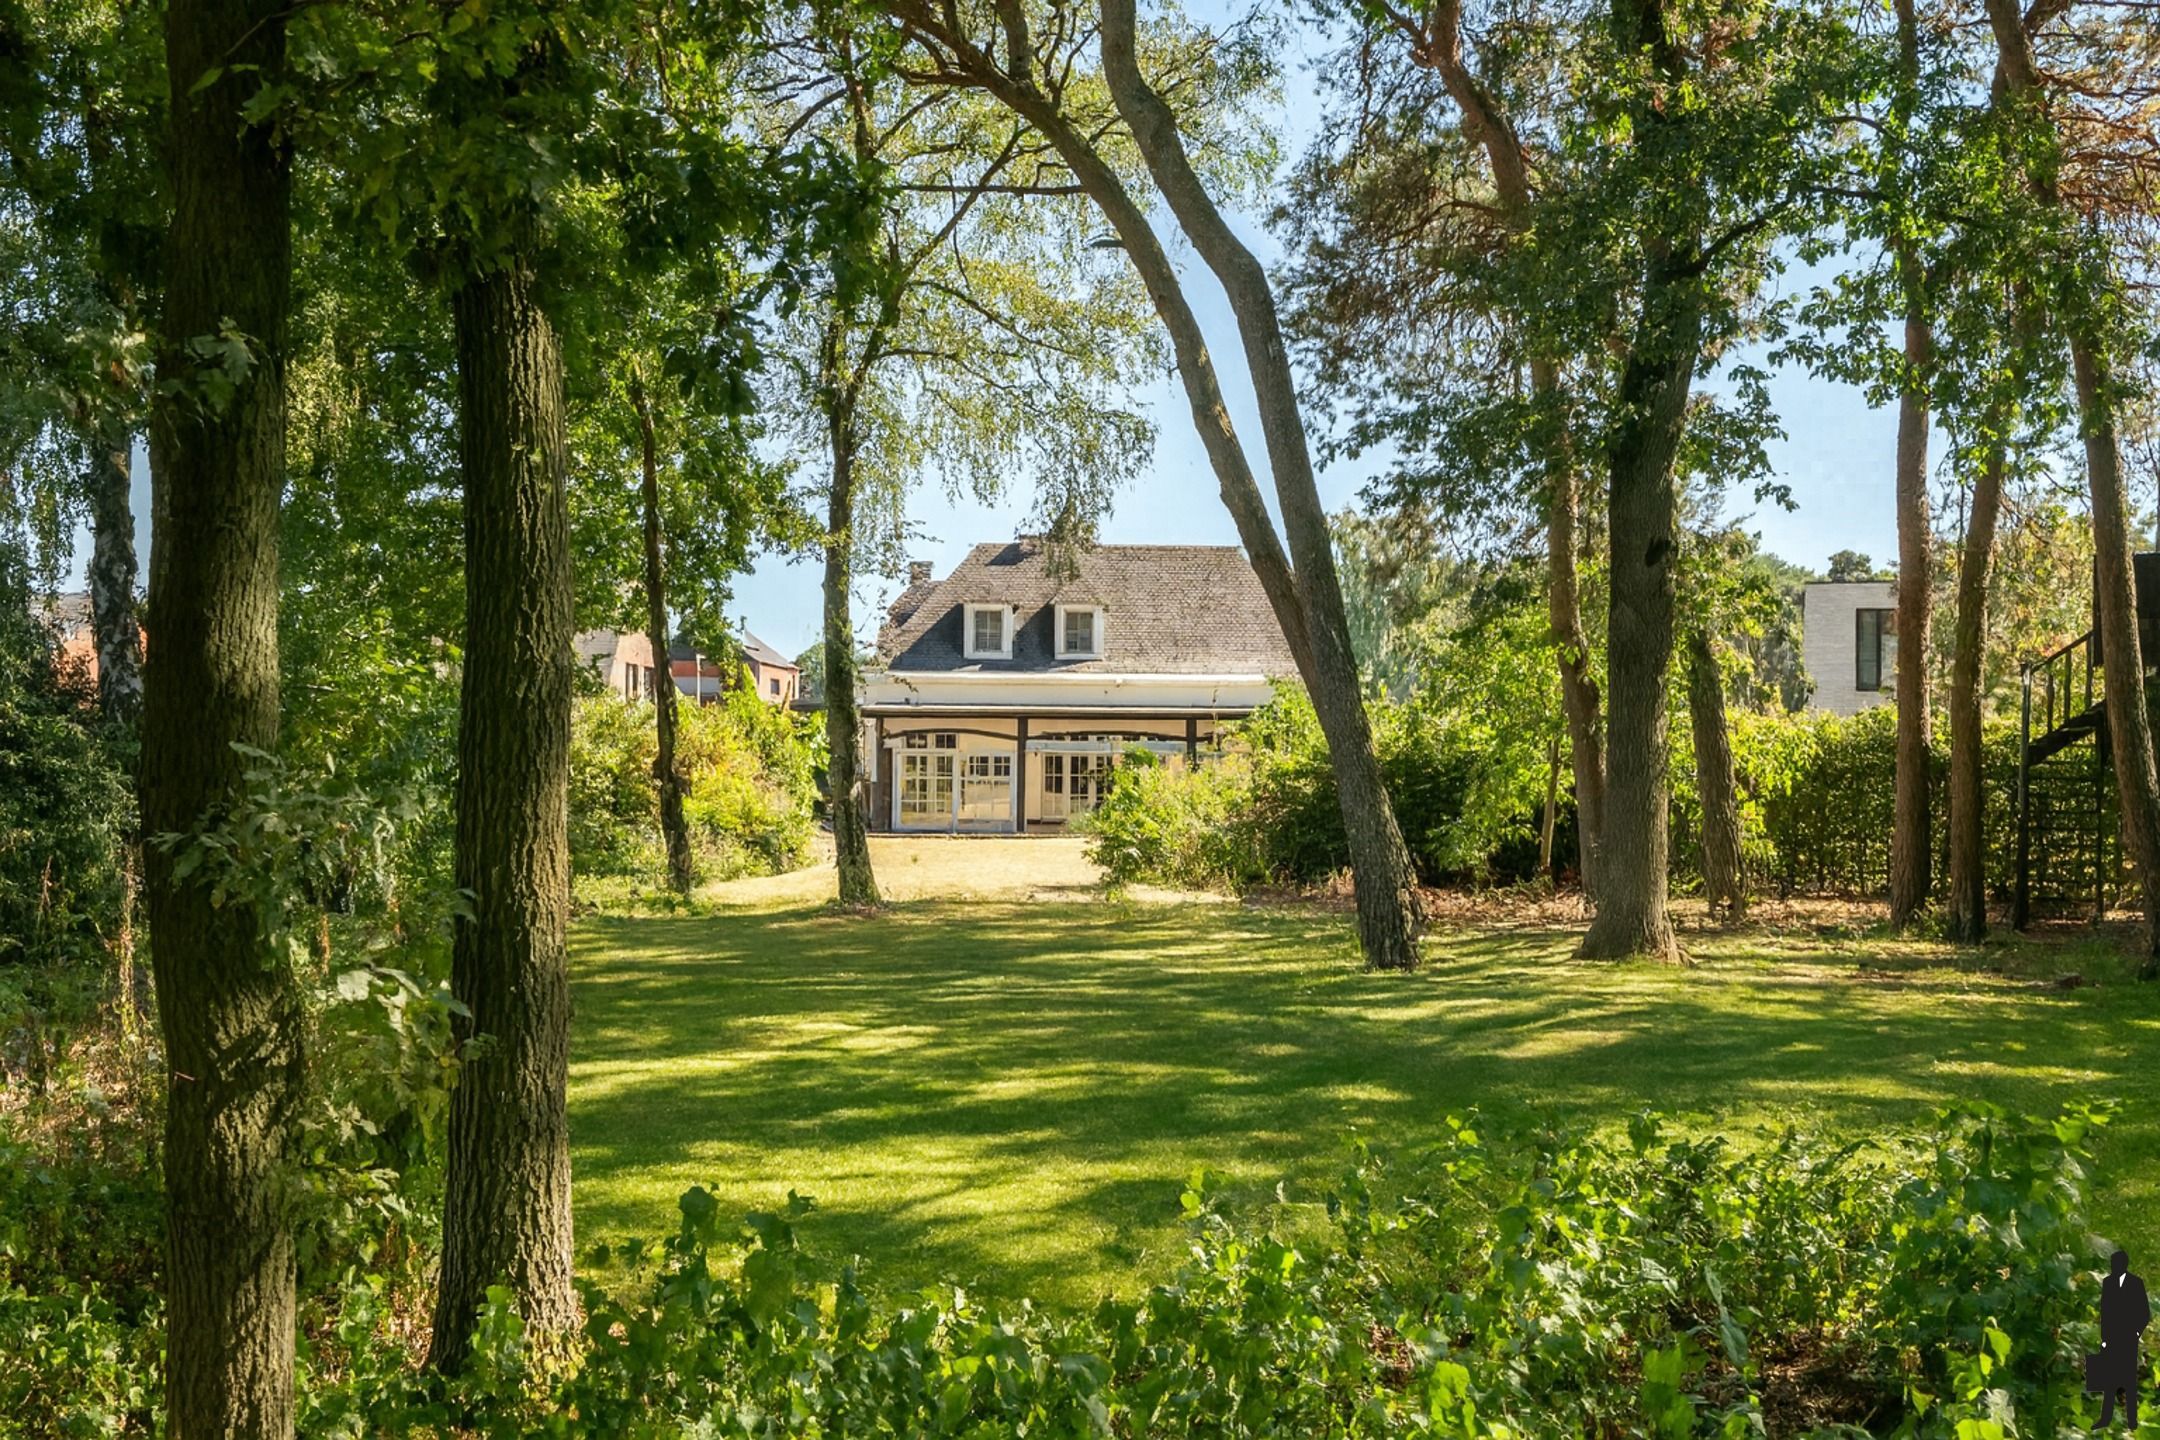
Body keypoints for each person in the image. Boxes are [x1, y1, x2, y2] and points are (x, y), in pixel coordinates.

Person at [2097, 1248, 2151, 1427]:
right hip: (2111, 1338)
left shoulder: (2136, 1283)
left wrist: (2136, 1332)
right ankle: (2105, 1418)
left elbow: (2144, 1312)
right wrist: (2104, 1338)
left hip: (2128, 1338)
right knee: (2110, 1379)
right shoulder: (2108, 1283)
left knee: (2128, 1379)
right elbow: (2105, 1312)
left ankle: (2132, 1420)